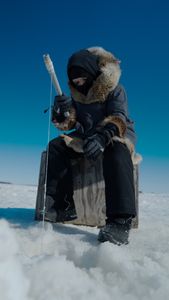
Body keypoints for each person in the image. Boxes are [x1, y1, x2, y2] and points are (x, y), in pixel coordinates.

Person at [45, 46, 137, 245]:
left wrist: (103, 137)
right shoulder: (77, 96)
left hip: (114, 133)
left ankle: (120, 221)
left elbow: (118, 118)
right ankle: (63, 206)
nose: (79, 84)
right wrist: (61, 114)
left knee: (117, 150)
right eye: (75, 81)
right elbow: (71, 124)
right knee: (57, 146)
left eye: (82, 79)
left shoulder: (115, 90)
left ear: (92, 73)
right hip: (87, 136)